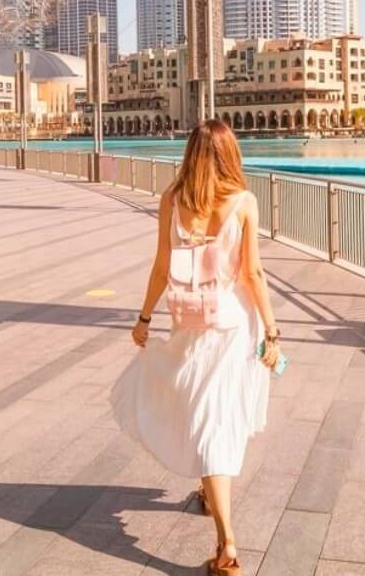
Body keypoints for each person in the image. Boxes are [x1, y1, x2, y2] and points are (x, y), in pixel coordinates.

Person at [110, 119, 281, 576]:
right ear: (230, 155)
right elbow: (253, 274)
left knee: (206, 416)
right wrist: (271, 328)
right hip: (232, 326)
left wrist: (144, 317)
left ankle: (216, 511)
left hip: (189, 324)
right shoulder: (243, 203)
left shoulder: (172, 200)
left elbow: (162, 268)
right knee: (217, 418)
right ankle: (226, 540)